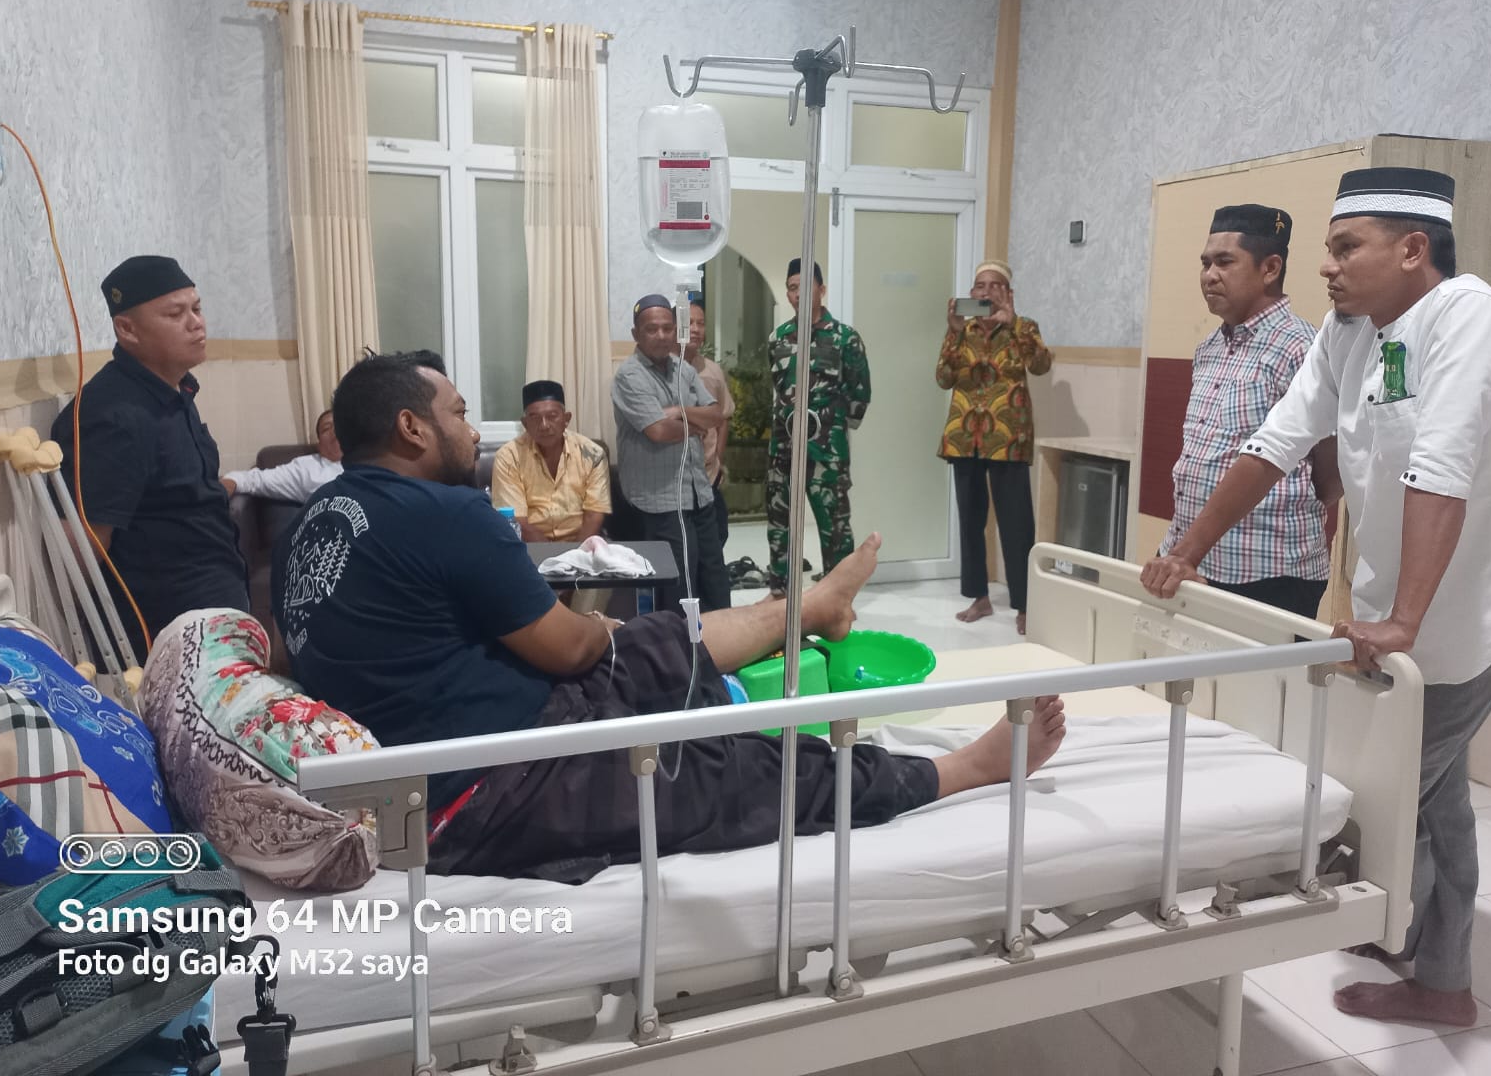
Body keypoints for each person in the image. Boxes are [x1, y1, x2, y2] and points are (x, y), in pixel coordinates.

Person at [274, 351, 1068, 883]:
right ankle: (964, 770)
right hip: (481, 791)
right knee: (734, 770)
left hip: (471, 746)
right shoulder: (443, 513)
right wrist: (601, 632)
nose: (472, 428)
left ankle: (810, 607)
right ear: (411, 427)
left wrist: (606, 638)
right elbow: (568, 649)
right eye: (456, 411)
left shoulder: (312, 525)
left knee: (655, 642)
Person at [1141, 168, 1491, 1028]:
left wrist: (1404, 620)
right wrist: (1186, 552)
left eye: (1344, 247)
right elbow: (1277, 441)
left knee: (1386, 796)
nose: (1325, 266)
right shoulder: (1349, 332)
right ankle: (1433, 963)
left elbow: (1442, 466)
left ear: (1412, 249)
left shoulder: (1469, 315)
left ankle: (1424, 960)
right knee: (1436, 799)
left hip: (1468, 622)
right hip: (1397, 622)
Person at [51, 256, 248, 658]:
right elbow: (83, 548)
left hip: (214, 614)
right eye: (176, 314)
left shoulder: (176, 389)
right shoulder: (112, 414)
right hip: (168, 638)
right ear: (127, 329)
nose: (196, 323)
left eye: (197, 308)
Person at [1159, 205, 1342, 618]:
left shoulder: (1302, 348)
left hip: (1270, 572)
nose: (1209, 275)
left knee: (1260, 667)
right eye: (1205, 263)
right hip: (1191, 557)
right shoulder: (1209, 348)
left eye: (1224, 262)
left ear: (1270, 268)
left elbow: (1330, 474)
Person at [935, 260, 1052, 635]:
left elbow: (1040, 365)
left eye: (993, 285)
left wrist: (1013, 322)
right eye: (978, 286)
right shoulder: (963, 329)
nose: (984, 292)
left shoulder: (1024, 327)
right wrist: (953, 333)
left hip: (1008, 438)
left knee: (1017, 524)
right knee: (970, 522)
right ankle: (979, 597)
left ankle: (1026, 604)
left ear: (1008, 292)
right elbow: (943, 378)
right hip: (964, 437)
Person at [612, 295, 731, 612]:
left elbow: (716, 414)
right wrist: (694, 425)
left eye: (667, 328)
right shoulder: (630, 376)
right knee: (681, 587)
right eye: (652, 329)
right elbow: (658, 431)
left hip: (698, 492)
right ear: (636, 334)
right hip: (660, 500)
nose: (662, 335)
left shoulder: (683, 370)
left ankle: (721, 639)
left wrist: (678, 411)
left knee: (715, 579)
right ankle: (681, 643)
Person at [766, 260, 870, 596]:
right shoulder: (778, 338)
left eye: (805, 286)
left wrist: (831, 424)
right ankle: (781, 596)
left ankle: (838, 598)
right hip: (783, 448)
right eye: (792, 287)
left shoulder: (845, 339)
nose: (798, 294)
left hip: (827, 451)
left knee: (835, 527)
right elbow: (779, 388)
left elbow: (859, 394)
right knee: (779, 525)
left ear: (821, 290)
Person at [491, 380, 611, 545]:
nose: (544, 425)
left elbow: (594, 515)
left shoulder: (592, 454)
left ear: (566, 419)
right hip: (529, 545)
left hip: (582, 544)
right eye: (535, 418)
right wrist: (552, 555)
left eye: (552, 416)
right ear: (525, 424)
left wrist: (576, 555)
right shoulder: (508, 457)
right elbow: (517, 520)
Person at [682, 299, 735, 547]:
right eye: (689, 322)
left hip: (708, 474)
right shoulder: (662, 371)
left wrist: (718, 460)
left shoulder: (712, 371)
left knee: (718, 535)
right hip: (677, 480)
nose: (695, 329)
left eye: (701, 323)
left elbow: (723, 419)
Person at [220, 410, 344, 503]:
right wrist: (232, 481)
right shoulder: (307, 468)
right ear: (319, 445)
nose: (335, 430)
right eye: (326, 428)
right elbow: (255, 480)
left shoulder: (357, 463)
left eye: (341, 424)